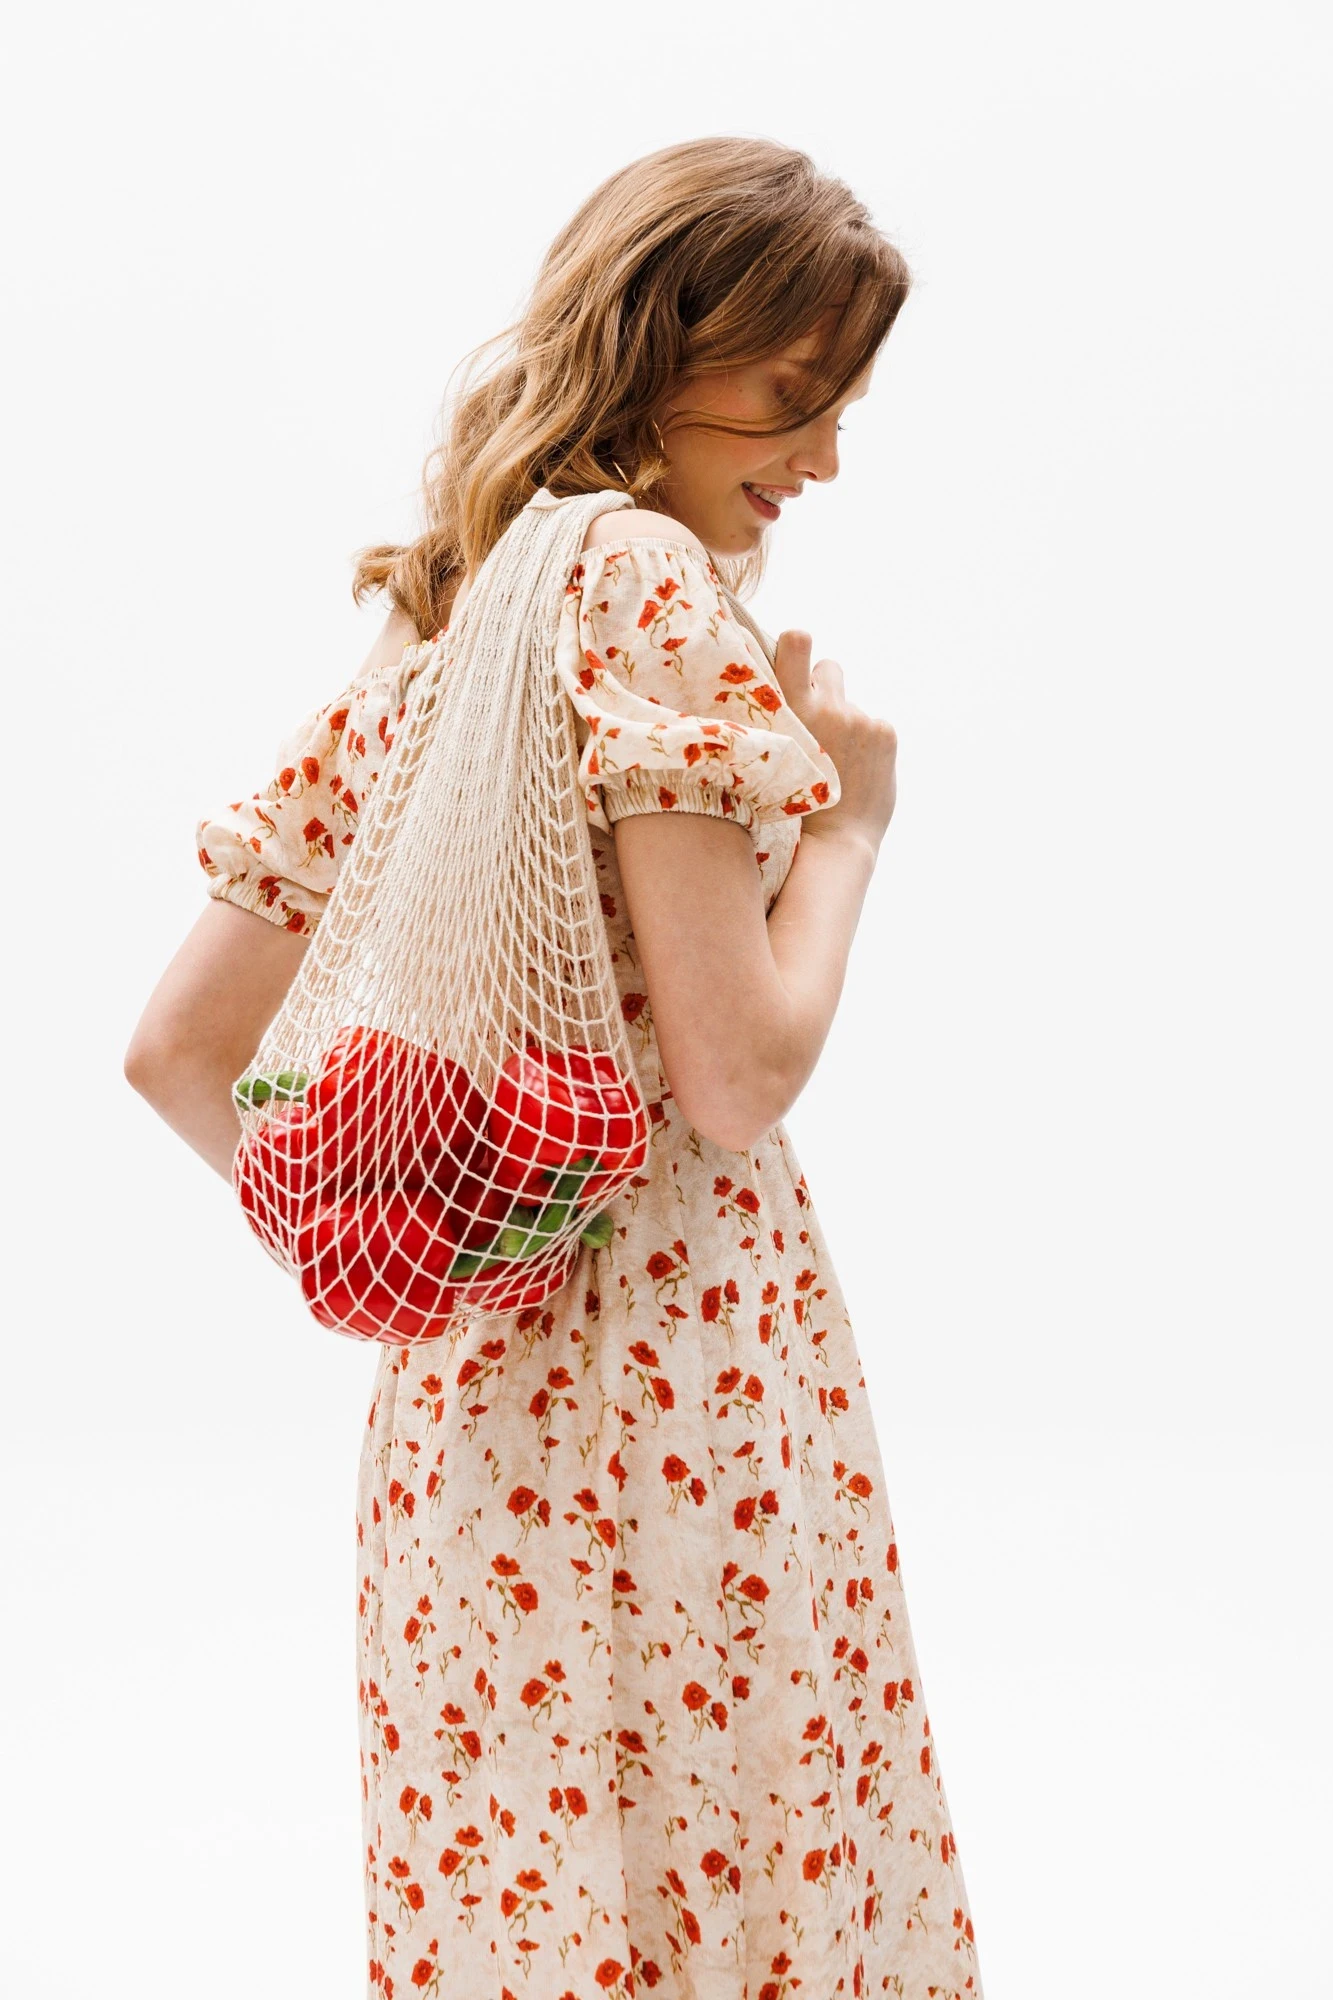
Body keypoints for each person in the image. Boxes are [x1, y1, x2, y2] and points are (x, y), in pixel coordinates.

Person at [126, 136, 984, 2000]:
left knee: (539, 1919)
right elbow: (737, 1077)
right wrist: (848, 830)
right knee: (736, 1903)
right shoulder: (646, 583)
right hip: (685, 1384)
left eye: (844, 409)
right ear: (665, 340)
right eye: (795, 392)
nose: (825, 458)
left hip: (463, 1430)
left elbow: (182, 1053)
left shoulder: (447, 605)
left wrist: (429, 1243)